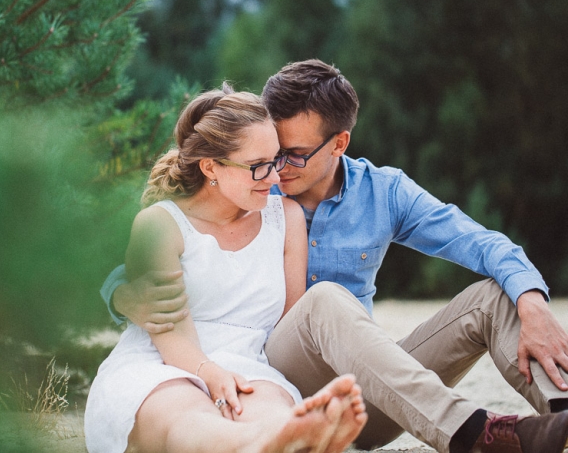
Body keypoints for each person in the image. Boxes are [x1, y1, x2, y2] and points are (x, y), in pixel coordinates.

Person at [101, 60, 568, 453]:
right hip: (276, 370)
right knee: (324, 298)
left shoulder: (383, 193)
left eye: (294, 154)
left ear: (339, 143)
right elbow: (178, 251)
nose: (278, 168)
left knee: (497, 297)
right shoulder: (252, 185)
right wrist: (122, 295)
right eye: (272, 153)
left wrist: (531, 299)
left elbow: (480, 242)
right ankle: (475, 434)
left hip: (376, 387)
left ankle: (561, 415)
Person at [84, 86, 368, 453]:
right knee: (186, 417)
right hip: (165, 362)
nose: (275, 177)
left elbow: (287, 329)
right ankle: (260, 443)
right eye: (258, 166)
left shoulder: (287, 219)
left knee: (271, 409)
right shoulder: (159, 224)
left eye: (276, 159)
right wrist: (209, 372)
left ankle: (281, 436)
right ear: (210, 167)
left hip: (251, 364)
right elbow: (170, 332)